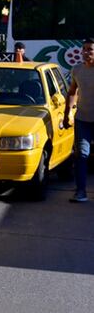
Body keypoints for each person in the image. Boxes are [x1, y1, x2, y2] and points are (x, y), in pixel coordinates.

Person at [64, 38, 94, 202]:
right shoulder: (77, 70)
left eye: (90, 49)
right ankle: (81, 192)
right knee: (81, 155)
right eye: (84, 49)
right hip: (83, 119)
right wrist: (67, 113)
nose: (86, 53)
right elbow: (72, 92)